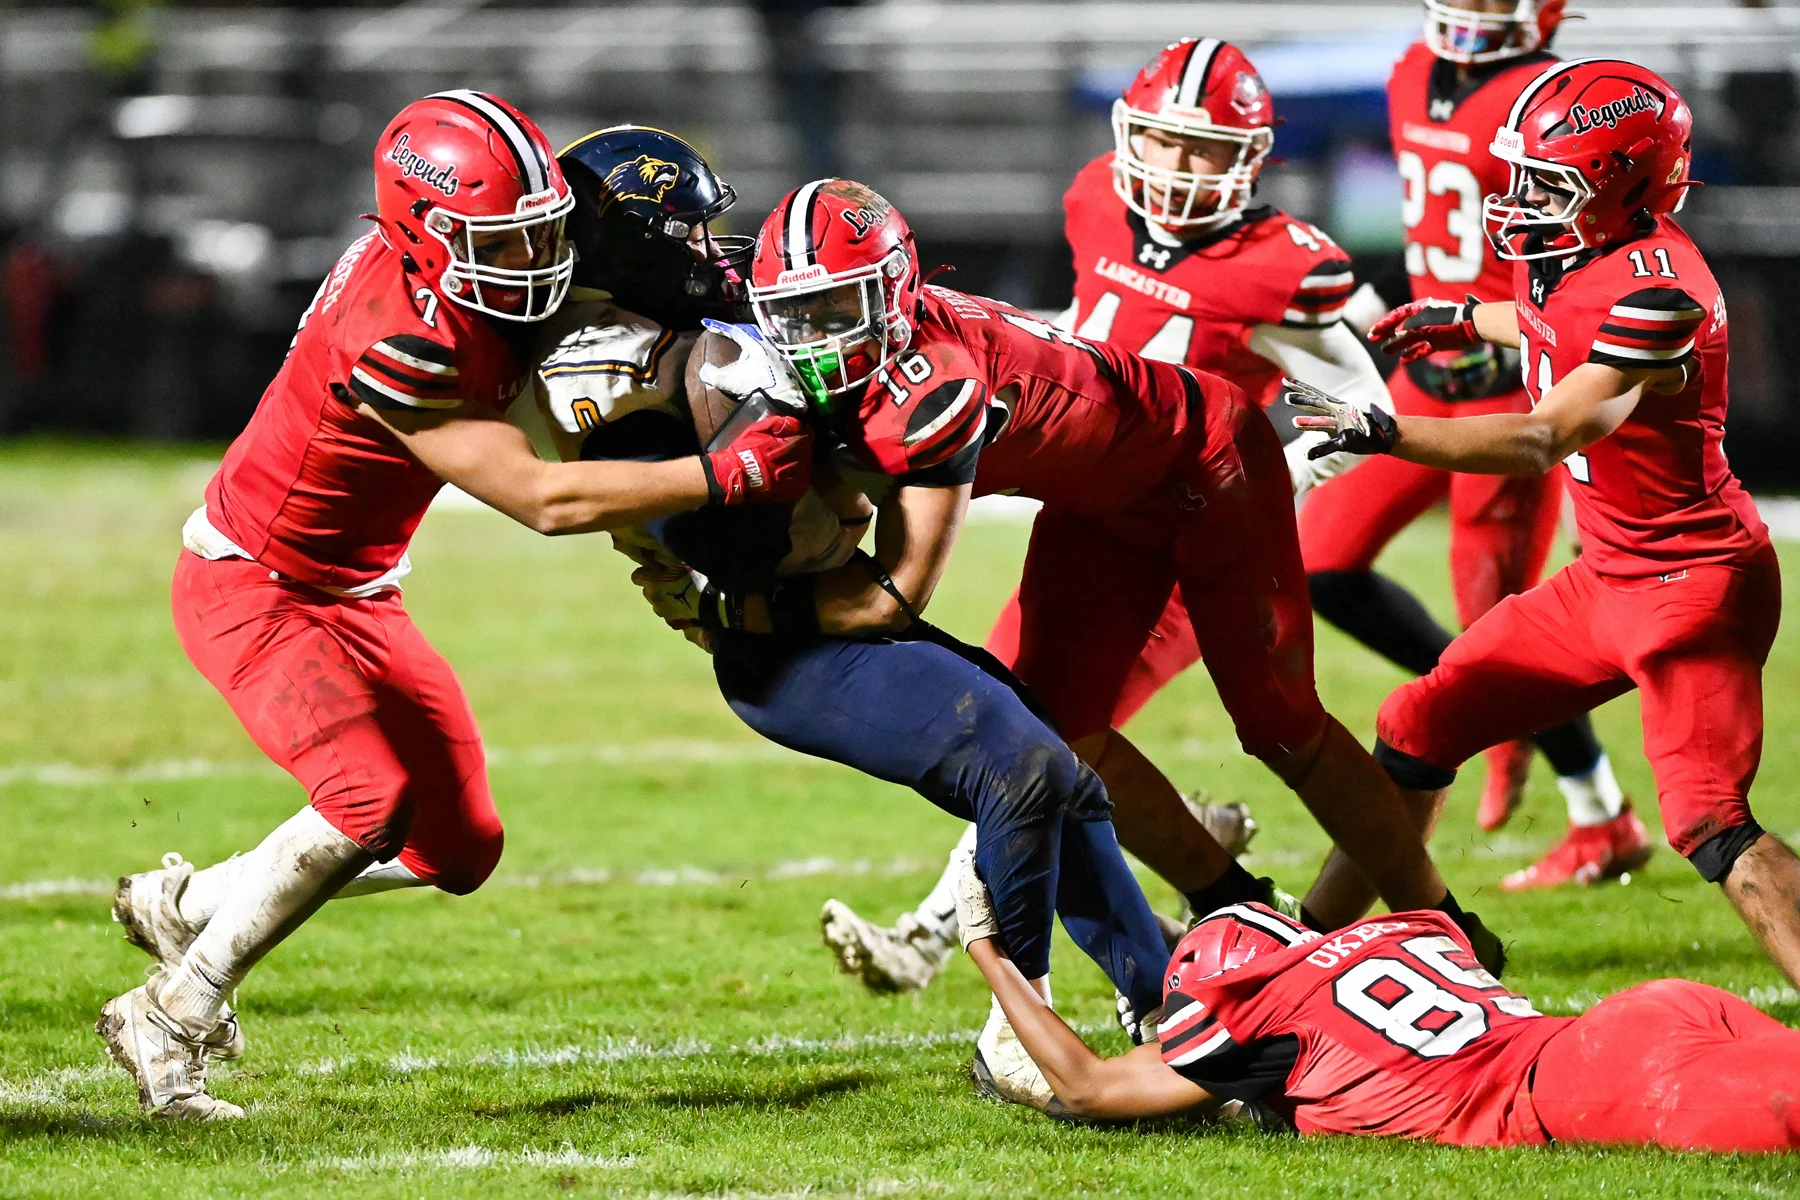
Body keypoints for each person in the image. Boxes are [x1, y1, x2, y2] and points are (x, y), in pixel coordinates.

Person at [97, 97, 811, 1120]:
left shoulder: (474, 275)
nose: (531, 259)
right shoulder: (398, 335)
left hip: (360, 587)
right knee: (369, 801)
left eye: (541, 228)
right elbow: (541, 496)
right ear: (426, 234)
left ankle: (187, 905)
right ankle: (171, 1013)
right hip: (260, 585)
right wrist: (723, 474)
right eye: (503, 239)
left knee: (459, 848)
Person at [714, 179, 1504, 992]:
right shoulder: (878, 336)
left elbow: (892, 596)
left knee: (1278, 723)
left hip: (1208, 459)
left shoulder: (933, 380)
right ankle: (1238, 905)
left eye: (841, 309)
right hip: (1099, 500)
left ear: (895, 292)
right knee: (1061, 732)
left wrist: (731, 608)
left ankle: (1448, 929)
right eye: (800, 311)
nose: (817, 337)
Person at [819, 36, 1389, 994]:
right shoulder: (1095, 200)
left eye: (1204, 148)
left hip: (1186, 524)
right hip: (1092, 512)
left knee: (1042, 736)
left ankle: (943, 936)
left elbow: (1359, 397)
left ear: (1249, 158)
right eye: (1162, 141)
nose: (1175, 167)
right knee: (1038, 728)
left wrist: (1275, 487)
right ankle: (1202, 894)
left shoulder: (1274, 264)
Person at [1287, 59, 1800, 987]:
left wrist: (1387, 429)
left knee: (1709, 821)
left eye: (1548, 182)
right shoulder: (1582, 255)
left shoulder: (1660, 291)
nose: (1521, 200)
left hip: (1691, 585)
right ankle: (1301, 958)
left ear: (1626, 184)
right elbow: (1551, 322)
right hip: (1607, 575)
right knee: (1414, 726)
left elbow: (1542, 435)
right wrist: (1465, 316)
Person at [1296, 0, 1648, 894]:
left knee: (1504, 624)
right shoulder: (1413, 67)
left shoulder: (1563, 99)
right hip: (1428, 363)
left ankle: (1602, 816)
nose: (1474, 6)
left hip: (1514, 378)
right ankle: (1495, 720)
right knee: (1321, 560)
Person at [955, 874, 1800, 1153]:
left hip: (1585, 1082)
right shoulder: (1394, 935)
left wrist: (989, 951)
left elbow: (1092, 1087)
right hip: (1641, 1019)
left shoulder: (1262, 1015)